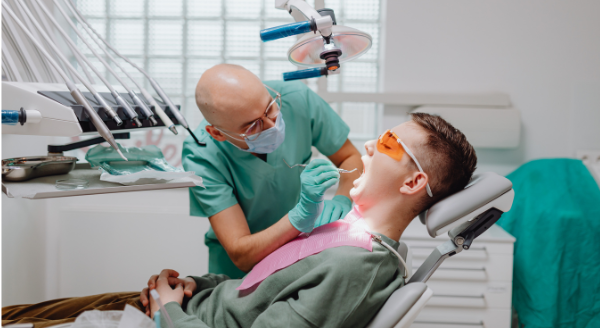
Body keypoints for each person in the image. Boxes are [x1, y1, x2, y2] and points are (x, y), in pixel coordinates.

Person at [3, 113, 477, 328]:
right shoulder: (347, 234)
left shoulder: (359, 267)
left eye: (390, 144)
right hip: (192, 305)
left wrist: (169, 311)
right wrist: (194, 283)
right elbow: (257, 285)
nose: (370, 145)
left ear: (414, 184)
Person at [182, 64, 363, 278]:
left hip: (300, 253)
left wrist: (342, 200)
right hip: (240, 273)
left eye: (270, 108)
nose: (272, 125)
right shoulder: (201, 155)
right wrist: (300, 216)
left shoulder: (297, 98)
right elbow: (241, 253)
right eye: (252, 126)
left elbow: (350, 158)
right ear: (217, 134)